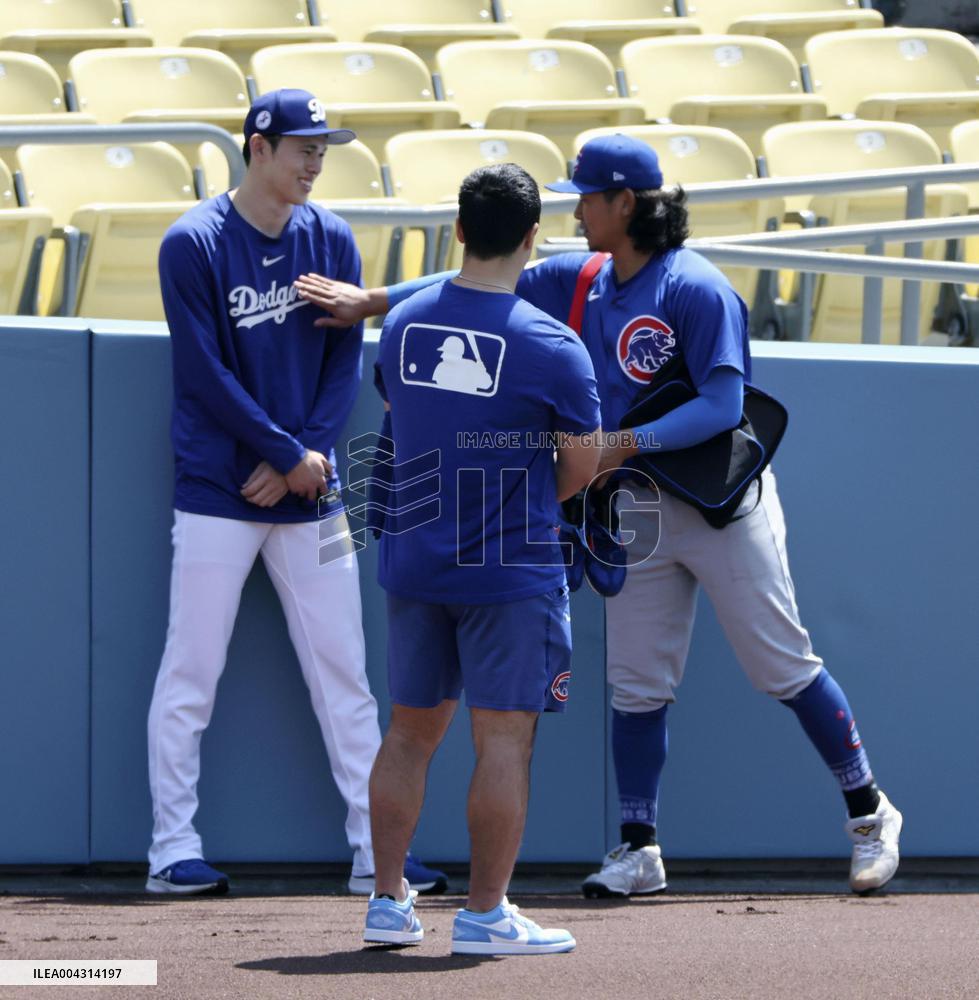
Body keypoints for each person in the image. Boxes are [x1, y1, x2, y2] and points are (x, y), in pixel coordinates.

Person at [294, 134, 903, 899]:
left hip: (718, 502)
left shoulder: (695, 287)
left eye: (587, 195)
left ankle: (868, 811)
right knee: (636, 683)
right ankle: (638, 847)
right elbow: (472, 274)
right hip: (634, 502)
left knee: (779, 664)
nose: (574, 209)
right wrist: (374, 301)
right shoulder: (583, 277)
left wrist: (619, 441)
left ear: (628, 203)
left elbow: (721, 404)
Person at [146, 88, 445, 898]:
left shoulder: (330, 237)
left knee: (344, 674)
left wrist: (302, 455)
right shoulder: (195, 242)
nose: (316, 159)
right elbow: (202, 372)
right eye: (302, 145)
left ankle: (372, 855)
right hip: (217, 486)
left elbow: (342, 364)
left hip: (311, 490)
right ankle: (172, 849)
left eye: (324, 146)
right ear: (257, 147)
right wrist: (282, 451)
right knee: (191, 671)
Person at [355, 163, 601, 953]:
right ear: (533, 240)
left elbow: (404, 412)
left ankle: (387, 904)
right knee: (503, 740)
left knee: (407, 734)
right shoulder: (553, 345)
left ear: (458, 231)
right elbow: (580, 469)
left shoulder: (402, 322)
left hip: (415, 559)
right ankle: (485, 916)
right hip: (508, 570)